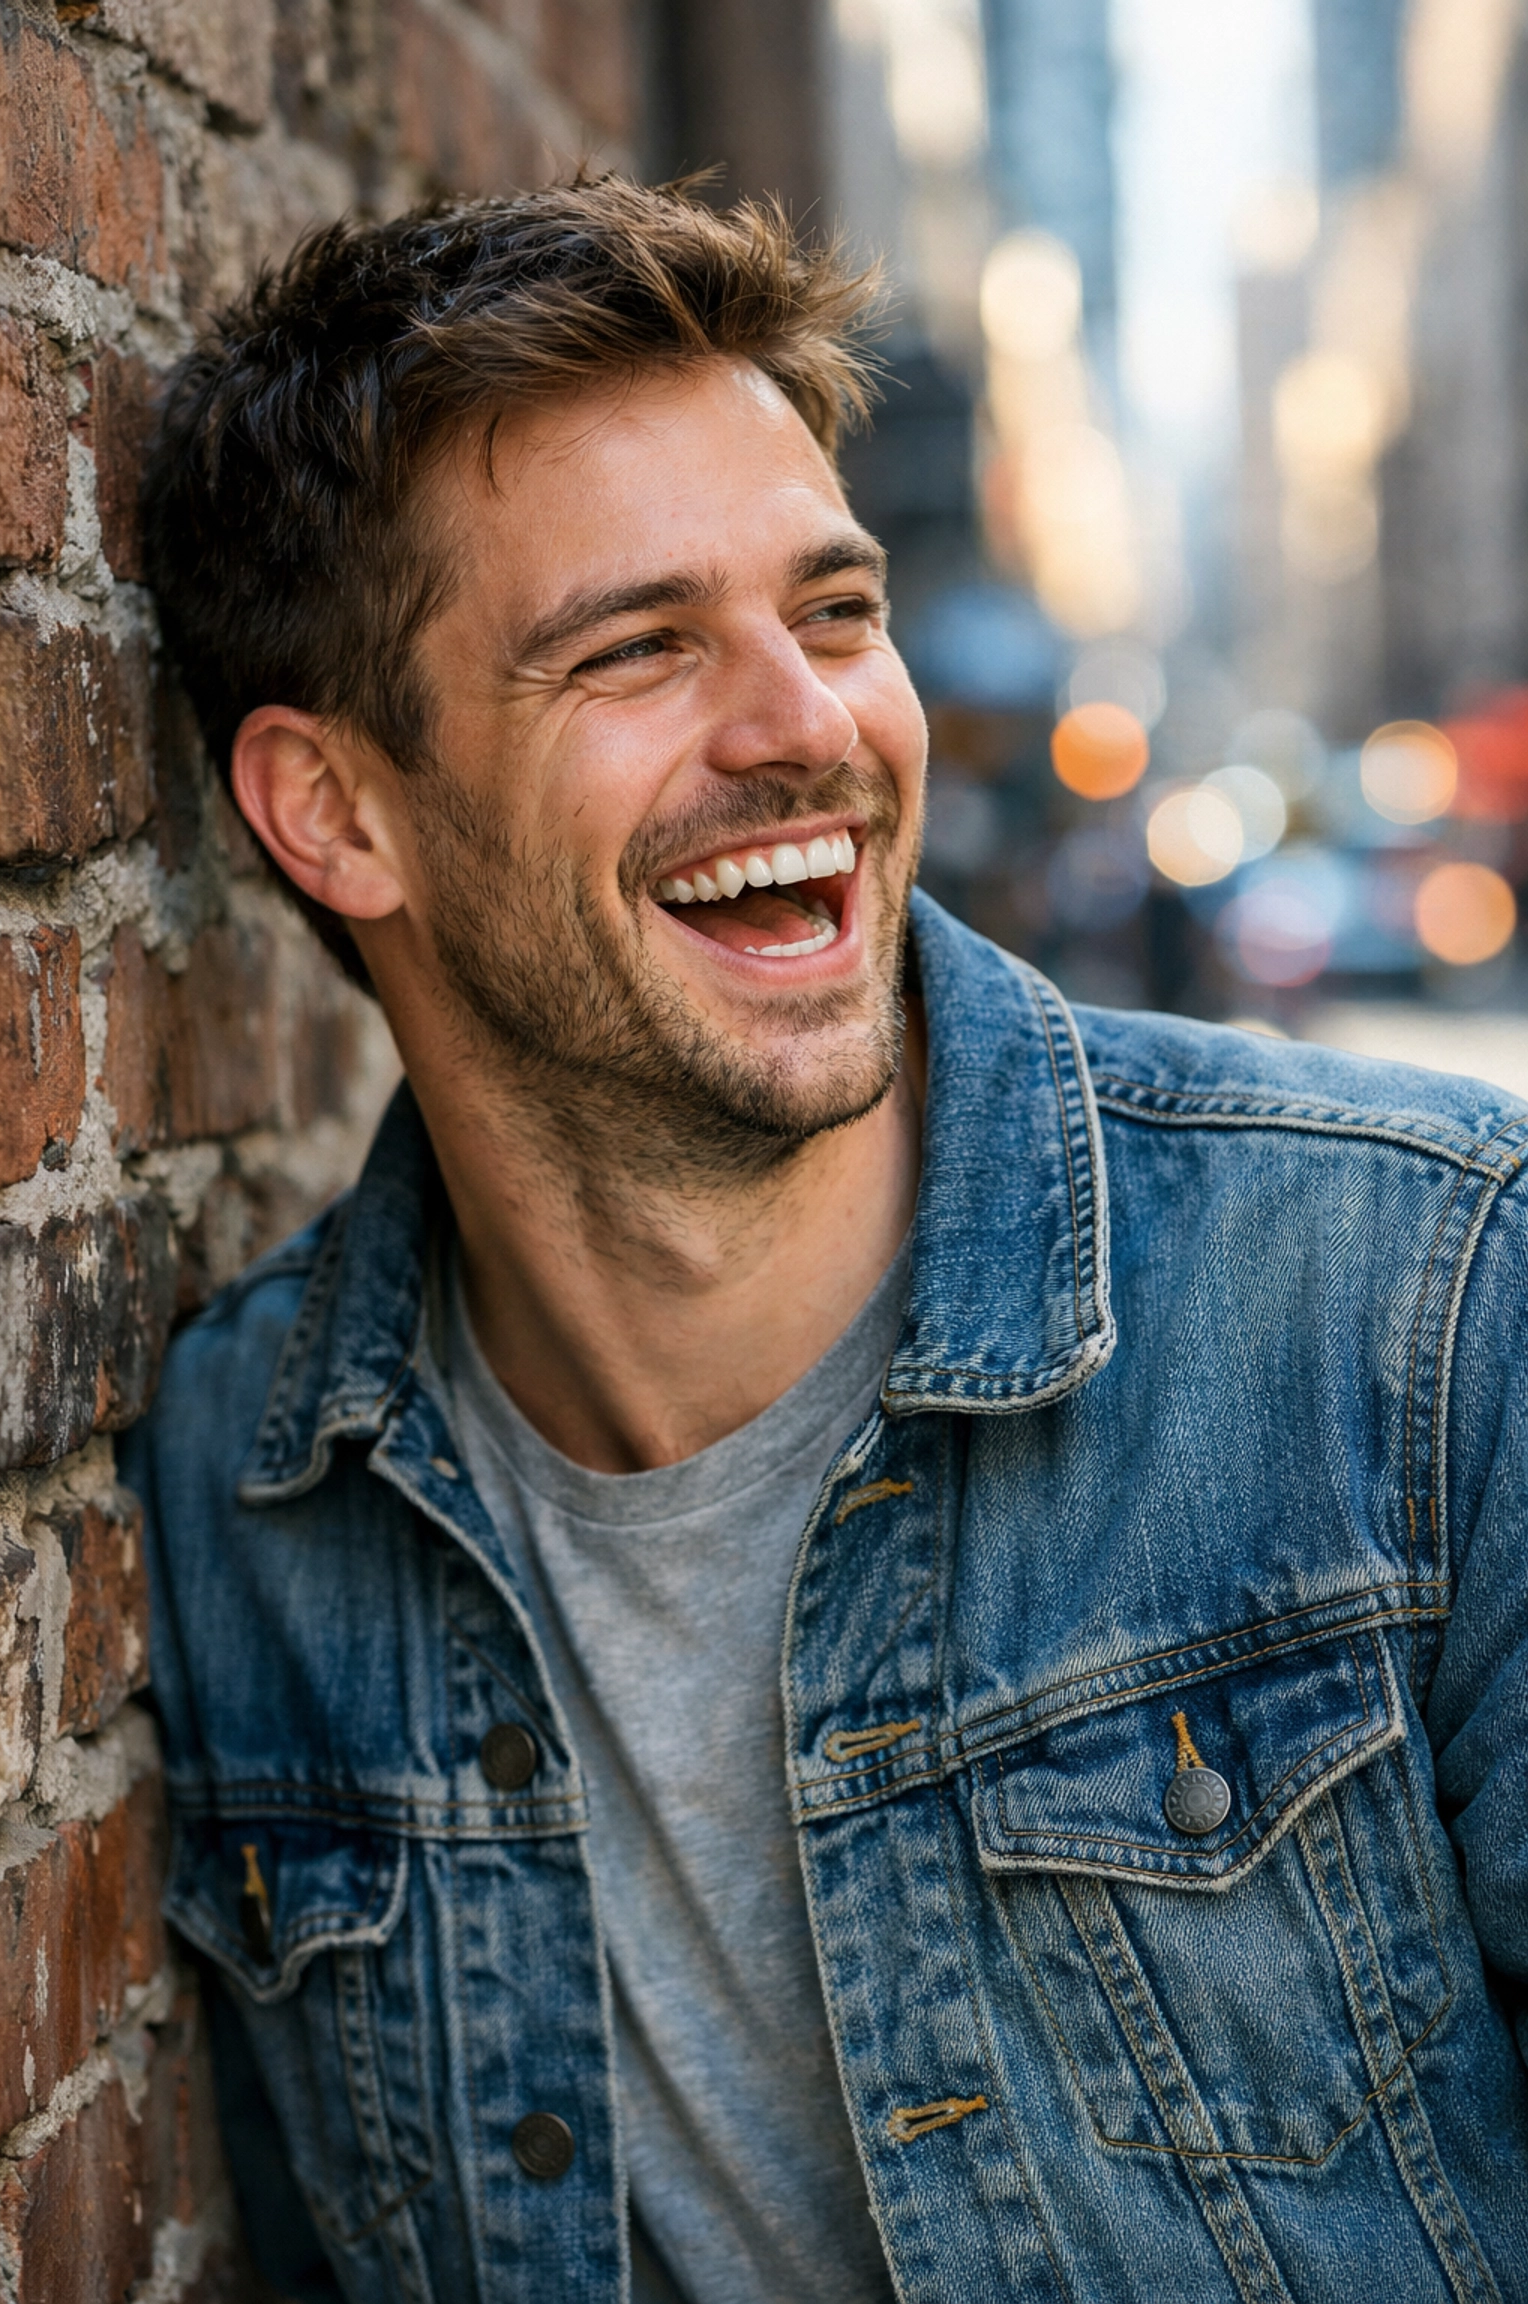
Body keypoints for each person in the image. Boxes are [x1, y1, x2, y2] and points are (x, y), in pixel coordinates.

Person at [124, 177, 1528, 2304]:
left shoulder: (1416, 1307)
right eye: (638, 648)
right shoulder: (249, 1502)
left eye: (838, 612)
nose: (816, 728)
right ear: (338, 813)